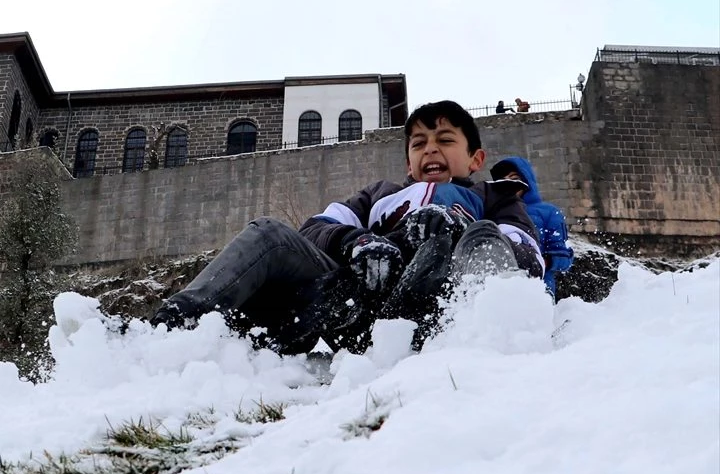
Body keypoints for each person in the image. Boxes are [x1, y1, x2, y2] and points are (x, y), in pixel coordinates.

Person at [150, 100, 544, 355]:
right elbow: (315, 228)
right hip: (358, 308)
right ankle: (172, 326)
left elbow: (526, 260)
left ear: (475, 159)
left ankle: (497, 343)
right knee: (269, 232)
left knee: (483, 235)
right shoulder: (379, 195)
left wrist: (457, 226)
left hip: (438, 312)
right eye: (419, 143)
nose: (430, 150)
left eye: (444, 140)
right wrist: (360, 242)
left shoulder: (495, 197)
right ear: (409, 162)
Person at [490, 156, 574, 298]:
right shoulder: (491, 212)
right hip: (500, 290)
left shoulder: (548, 212)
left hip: (539, 290)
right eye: (504, 179)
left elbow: (564, 256)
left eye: (514, 177)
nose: (509, 182)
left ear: (526, 179)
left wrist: (541, 263)